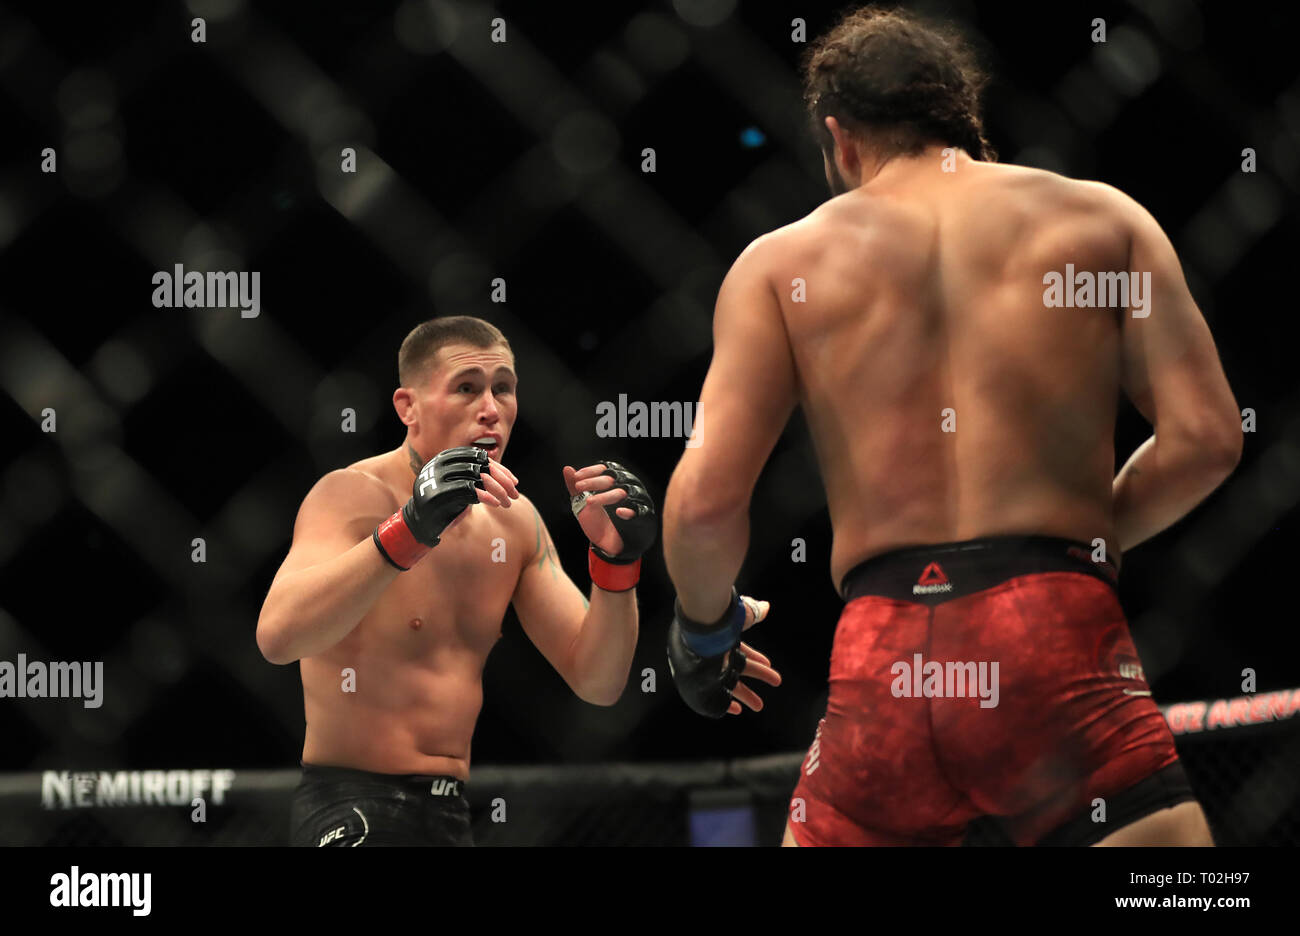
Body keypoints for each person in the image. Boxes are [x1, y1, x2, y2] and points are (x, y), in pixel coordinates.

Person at [662, 5, 1240, 846]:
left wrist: (703, 632)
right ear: (961, 117)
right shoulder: (1102, 222)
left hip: (883, 658)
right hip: (1055, 642)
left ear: (840, 138)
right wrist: (1065, 544)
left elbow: (704, 505)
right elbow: (1207, 439)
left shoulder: (779, 266)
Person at [257, 315, 655, 845]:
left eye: (503, 389)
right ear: (408, 408)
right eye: (467, 389)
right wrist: (409, 531)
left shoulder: (516, 523)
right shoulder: (352, 495)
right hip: (350, 805)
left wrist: (616, 567)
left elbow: (599, 682)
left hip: (450, 814)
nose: (490, 409)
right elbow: (277, 638)